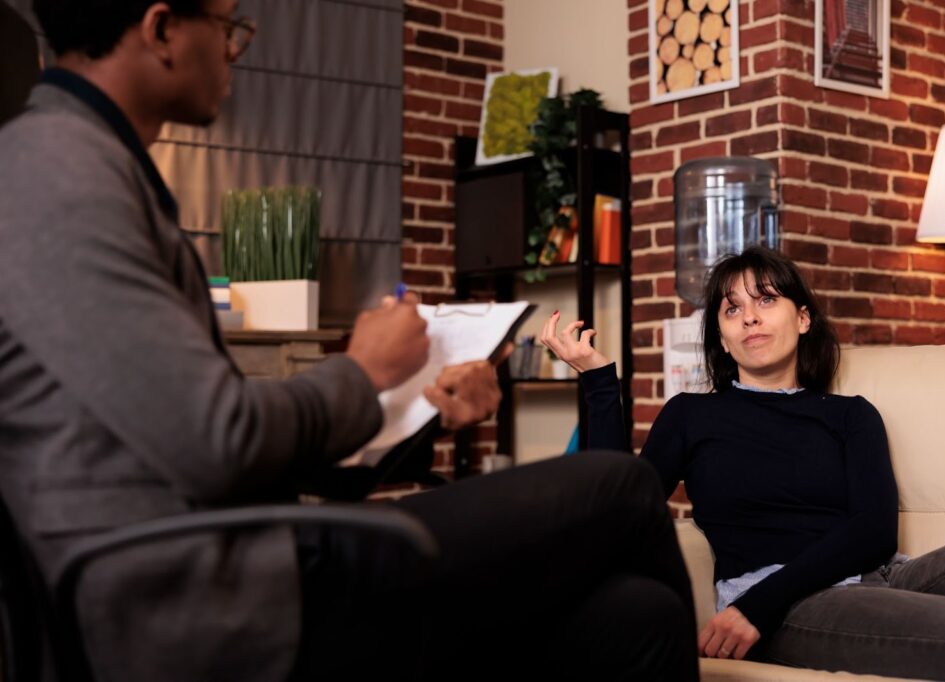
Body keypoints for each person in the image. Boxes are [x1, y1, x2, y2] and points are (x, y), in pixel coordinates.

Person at [0, 1, 700, 681]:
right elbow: (218, 441)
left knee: (639, 618)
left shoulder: (86, 166)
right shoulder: (58, 172)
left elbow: (192, 432)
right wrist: (362, 372)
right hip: (201, 603)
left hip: (233, 562)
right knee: (626, 483)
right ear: (161, 29)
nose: (235, 51)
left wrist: (412, 407)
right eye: (227, 26)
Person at [542, 245, 945, 681]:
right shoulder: (692, 415)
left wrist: (762, 603)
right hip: (790, 606)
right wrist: (600, 382)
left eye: (766, 300)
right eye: (733, 309)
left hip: (888, 577)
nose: (749, 317)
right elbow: (616, 509)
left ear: (803, 319)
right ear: (723, 340)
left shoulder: (850, 414)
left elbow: (874, 530)